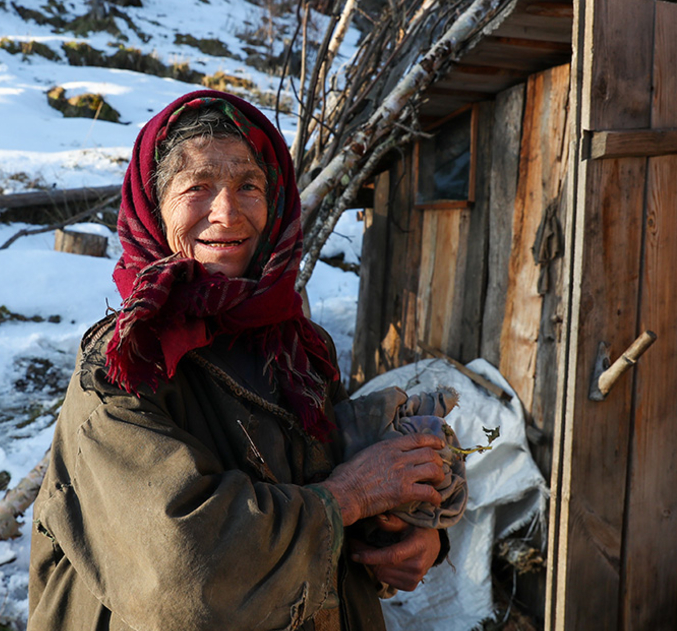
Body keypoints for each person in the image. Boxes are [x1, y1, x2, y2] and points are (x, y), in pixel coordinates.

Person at [28, 90, 452, 631]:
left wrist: (410, 531)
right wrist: (348, 498)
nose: (226, 213)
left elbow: (331, 472)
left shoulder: (299, 349)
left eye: (248, 185)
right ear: (153, 207)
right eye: (197, 187)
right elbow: (189, 576)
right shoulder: (125, 369)